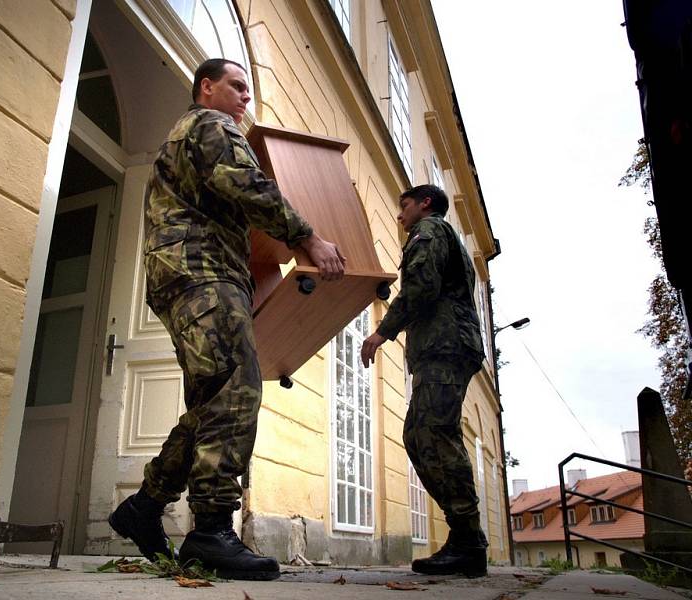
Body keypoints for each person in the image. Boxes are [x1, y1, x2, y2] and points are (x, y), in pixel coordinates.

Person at [108, 58, 346, 581]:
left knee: (215, 400)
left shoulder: (191, 134)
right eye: (236, 86)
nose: (245, 98)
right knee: (236, 393)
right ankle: (211, 530)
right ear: (206, 87)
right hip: (202, 273)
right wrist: (306, 237)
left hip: (192, 273)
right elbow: (250, 187)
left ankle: (145, 507)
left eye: (248, 90)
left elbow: (230, 199)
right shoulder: (211, 125)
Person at [360, 184, 488, 578]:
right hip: (445, 346)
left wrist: (383, 331)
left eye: (405, 206)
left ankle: (468, 541)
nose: (400, 215)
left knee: (434, 432)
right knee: (420, 434)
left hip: (445, 346)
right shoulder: (439, 234)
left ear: (425, 204)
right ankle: (464, 535)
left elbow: (421, 287)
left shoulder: (429, 231)